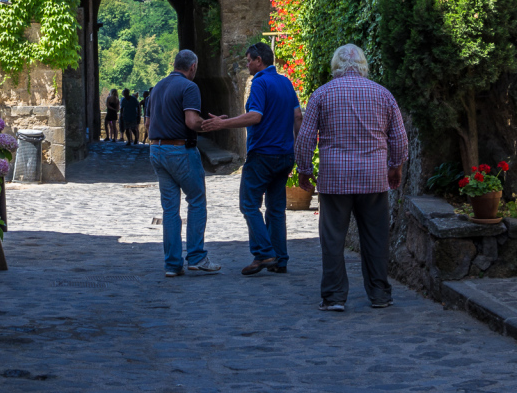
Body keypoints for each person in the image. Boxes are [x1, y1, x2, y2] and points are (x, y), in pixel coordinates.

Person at [294, 43, 408, 312]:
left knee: (333, 237)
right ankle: (380, 294)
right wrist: (395, 167)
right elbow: (399, 139)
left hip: (335, 178)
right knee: (376, 237)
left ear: (336, 67)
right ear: (363, 66)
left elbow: (305, 139)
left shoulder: (322, 95)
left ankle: (334, 297)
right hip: (373, 178)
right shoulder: (383, 94)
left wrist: (304, 171)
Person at [202, 41, 302, 275]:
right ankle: (279, 259)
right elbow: (297, 117)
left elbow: (255, 117)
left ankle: (264, 252)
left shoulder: (260, 83)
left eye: (249, 60)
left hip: (263, 155)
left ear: (260, 60)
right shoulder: (286, 82)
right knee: (276, 209)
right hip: (285, 155)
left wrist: (222, 123)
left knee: (249, 204)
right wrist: (297, 148)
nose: (247, 64)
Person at [148, 50, 221, 276]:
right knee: (197, 201)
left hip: (156, 149)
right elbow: (191, 121)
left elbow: (148, 122)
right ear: (193, 67)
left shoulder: (157, 87)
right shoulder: (190, 88)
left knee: (170, 209)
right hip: (180, 149)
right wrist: (211, 124)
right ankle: (197, 257)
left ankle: (172, 264)